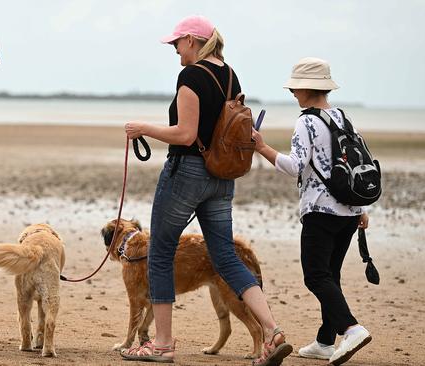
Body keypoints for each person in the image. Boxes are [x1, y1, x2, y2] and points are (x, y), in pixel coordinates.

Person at [121, 15, 292, 365]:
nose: (174, 50)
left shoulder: (191, 74)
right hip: (222, 175)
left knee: (160, 253)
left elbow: (185, 134)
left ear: (191, 41)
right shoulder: (230, 74)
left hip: (187, 172)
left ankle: (163, 343)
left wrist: (144, 128)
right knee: (225, 256)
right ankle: (272, 329)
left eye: (176, 43)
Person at [251, 57, 372, 365]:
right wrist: (361, 207)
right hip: (349, 209)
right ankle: (324, 342)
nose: (293, 94)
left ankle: (352, 328)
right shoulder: (342, 117)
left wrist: (260, 147)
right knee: (331, 274)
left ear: (306, 88)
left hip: (321, 211)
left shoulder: (306, 121)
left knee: (315, 276)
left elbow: (294, 167)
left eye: (295, 88)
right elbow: (354, 162)